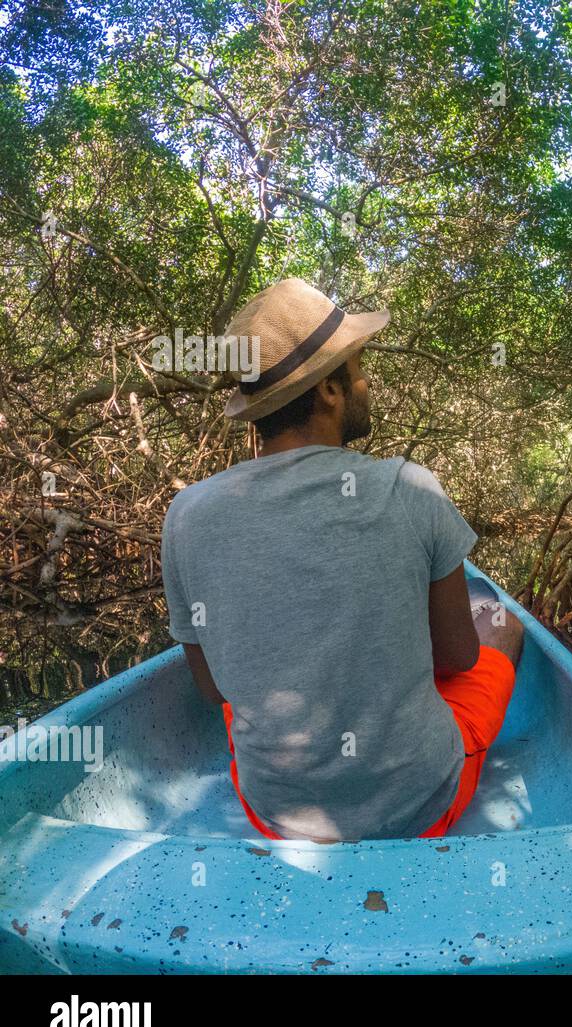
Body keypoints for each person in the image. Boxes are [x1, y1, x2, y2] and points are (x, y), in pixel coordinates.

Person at [161, 278, 523, 842]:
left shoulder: (186, 513)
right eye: (358, 368)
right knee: (499, 620)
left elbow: (213, 690)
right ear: (330, 391)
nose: (365, 382)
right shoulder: (409, 488)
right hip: (418, 808)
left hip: (272, 813)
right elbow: (455, 657)